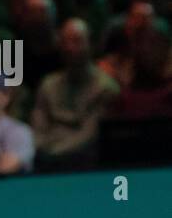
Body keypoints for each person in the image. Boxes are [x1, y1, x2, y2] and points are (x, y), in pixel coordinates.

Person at [32, 19, 119, 170]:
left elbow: (89, 135)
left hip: (85, 165)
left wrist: (52, 154)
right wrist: (39, 150)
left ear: (91, 45)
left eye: (77, 41)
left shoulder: (106, 88)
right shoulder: (48, 84)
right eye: (65, 41)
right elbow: (38, 129)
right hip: (45, 163)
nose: (70, 48)